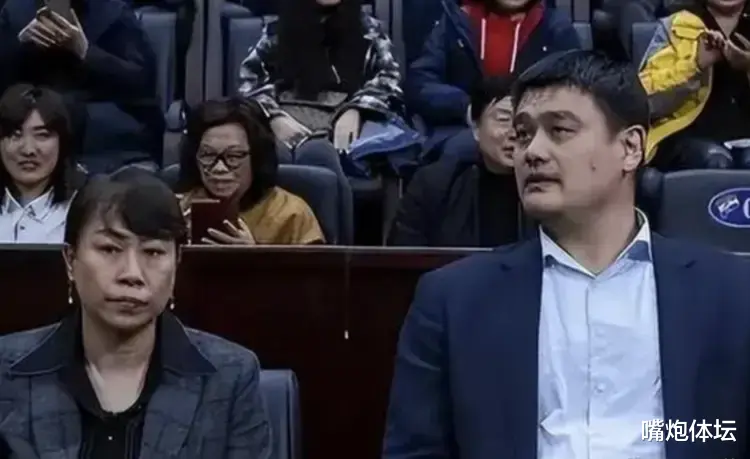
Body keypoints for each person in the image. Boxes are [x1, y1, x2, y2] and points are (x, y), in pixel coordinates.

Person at [383, 50, 750, 459]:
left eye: (559, 130)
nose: (531, 152)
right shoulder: (454, 300)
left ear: (630, 147)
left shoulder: (730, 294)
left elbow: (720, 434)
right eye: (523, 134)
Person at [0, 169, 272, 458]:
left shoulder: (230, 377)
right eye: (110, 249)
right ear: (70, 260)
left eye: (153, 252)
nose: (132, 274)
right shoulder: (5, 370)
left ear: (177, 263)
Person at [238, 0, 411, 172]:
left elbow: (388, 78)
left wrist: (356, 109)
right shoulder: (277, 31)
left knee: (326, 157)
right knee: (273, 157)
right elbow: (250, 82)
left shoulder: (369, 30)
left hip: (344, 123)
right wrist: (274, 117)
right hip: (287, 120)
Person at [0, 0, 165, 174]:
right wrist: (20, 43)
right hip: (33, 112)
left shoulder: (114, 12)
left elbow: (141, 80)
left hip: (102, 123)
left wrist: (85, 51)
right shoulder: (15, 10)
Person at [406, 0, 580, 162]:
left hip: (535, 129)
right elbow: (420, 83)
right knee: (459, 149)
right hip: (463, 130)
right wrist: (469, 108)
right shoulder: (456, 21)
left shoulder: (556, 28)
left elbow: (573, 91)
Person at [388, 76, 520, 247]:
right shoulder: (433, 186)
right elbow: (404, 254)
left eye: (523, 122)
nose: (514, 133)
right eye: (503, 120)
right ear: (475, 127)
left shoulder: (547, 185)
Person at [177, 97, 325, 245]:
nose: (219, 168)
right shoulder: (179, 208)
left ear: (257, 158)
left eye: (234, 156)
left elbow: (316, 261)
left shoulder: (292, 214)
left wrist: (252, 254)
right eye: (208, 155)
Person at [639, 0, 750, 169]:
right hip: (687, 136)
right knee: (716, 161)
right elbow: (646, 101)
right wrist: (695, 66)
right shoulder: (677, 25)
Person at [0, 84, 76, 243]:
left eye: (42, 135)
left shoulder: (85, 211)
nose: (28, 150)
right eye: (15, 135)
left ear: (62, 142)